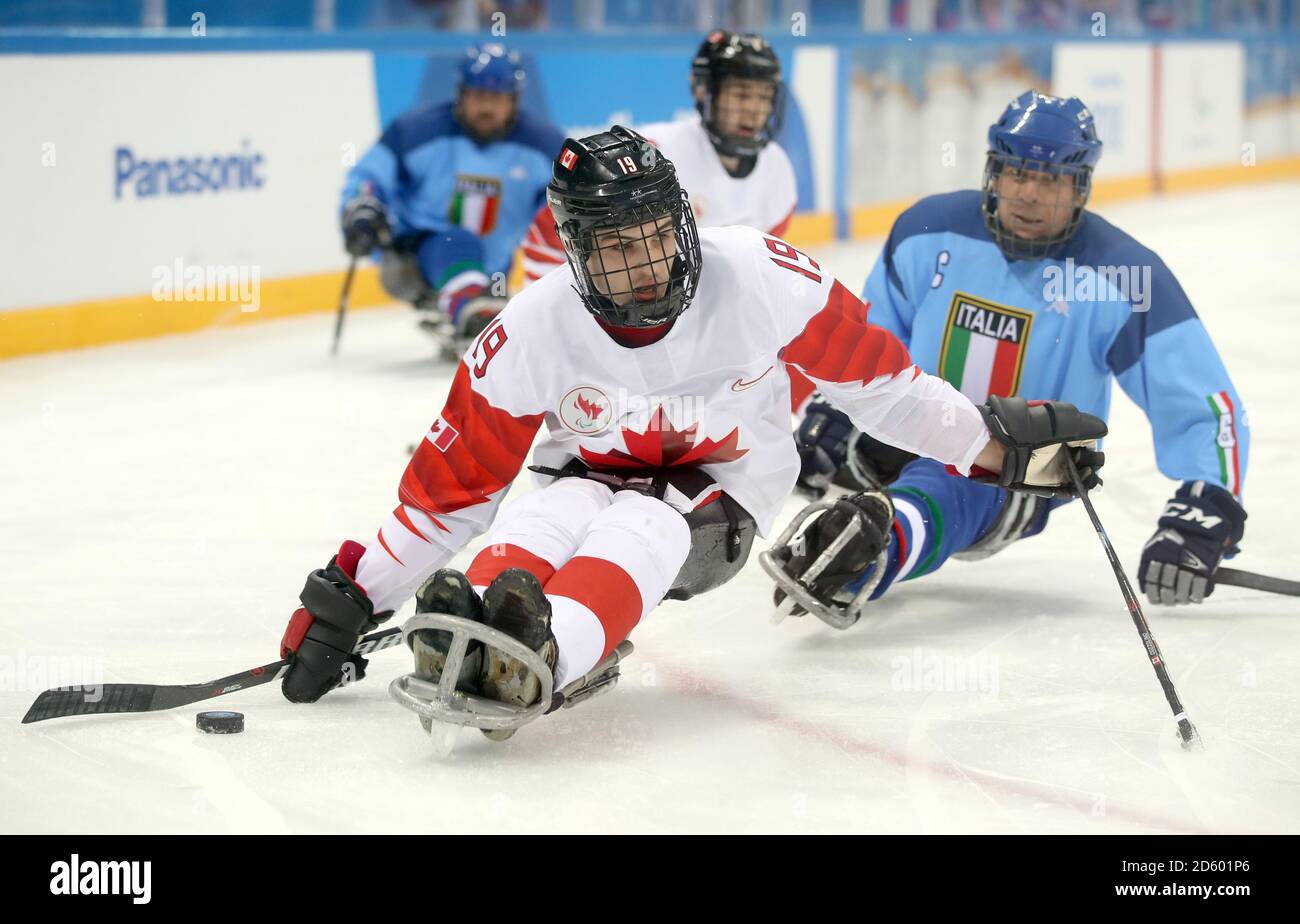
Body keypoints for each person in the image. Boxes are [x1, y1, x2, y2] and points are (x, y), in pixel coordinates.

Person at [281, 126, 1105, 740]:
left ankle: (545, 653)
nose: (645, 263)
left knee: (643, 520)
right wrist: (355, 595)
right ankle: (477, 631)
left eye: (656, 235)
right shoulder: (531, 332)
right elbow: (447, 499)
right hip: (586, 474)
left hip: (720, 500)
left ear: (682, 220)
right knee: (546, 518)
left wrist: (997, 452)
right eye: (615, 246)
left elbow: (887, 390)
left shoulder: (762, 279)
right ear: (574, 250)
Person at [773, 91, 1246, 629]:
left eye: (1051, 181)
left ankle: (883, 544)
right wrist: (834, 409)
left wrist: (1206, 506)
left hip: (1030, 464)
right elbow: (869, 337)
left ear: (1080, 188)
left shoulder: (1123, 277)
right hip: (910, 426)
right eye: (1017, 173)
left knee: (952, 483)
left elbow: (1202, 402)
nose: (1028, 194)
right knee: (819, 449)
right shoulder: (927, 229)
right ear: (992, 172)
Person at [340, 44, 564, 353]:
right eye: (478, 96)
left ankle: (474, 304)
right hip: (414, 262)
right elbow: (369, 177)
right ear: (461, 94)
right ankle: (471, 305)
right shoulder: (417, 131)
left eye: (496, 99)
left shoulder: (545, 146)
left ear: (514, 101)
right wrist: (362, 208)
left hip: (496, 272)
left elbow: (559, 210)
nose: (486, 107)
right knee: (454, 241)